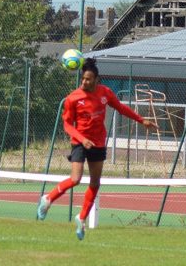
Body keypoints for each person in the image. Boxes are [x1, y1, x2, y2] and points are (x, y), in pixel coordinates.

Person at [37, 58, 157, 240]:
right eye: (83, 78)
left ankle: (81, 218)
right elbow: (68, 126)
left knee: (95, 183)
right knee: (76, 178)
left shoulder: (105, 93)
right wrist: (82, 139)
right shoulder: (73, 98)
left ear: (96, 79)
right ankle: (48, 199)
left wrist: (141, 120)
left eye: (88, 79)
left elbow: (121, 108)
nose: (84, 82)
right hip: (79, 141)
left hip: (98, 142)